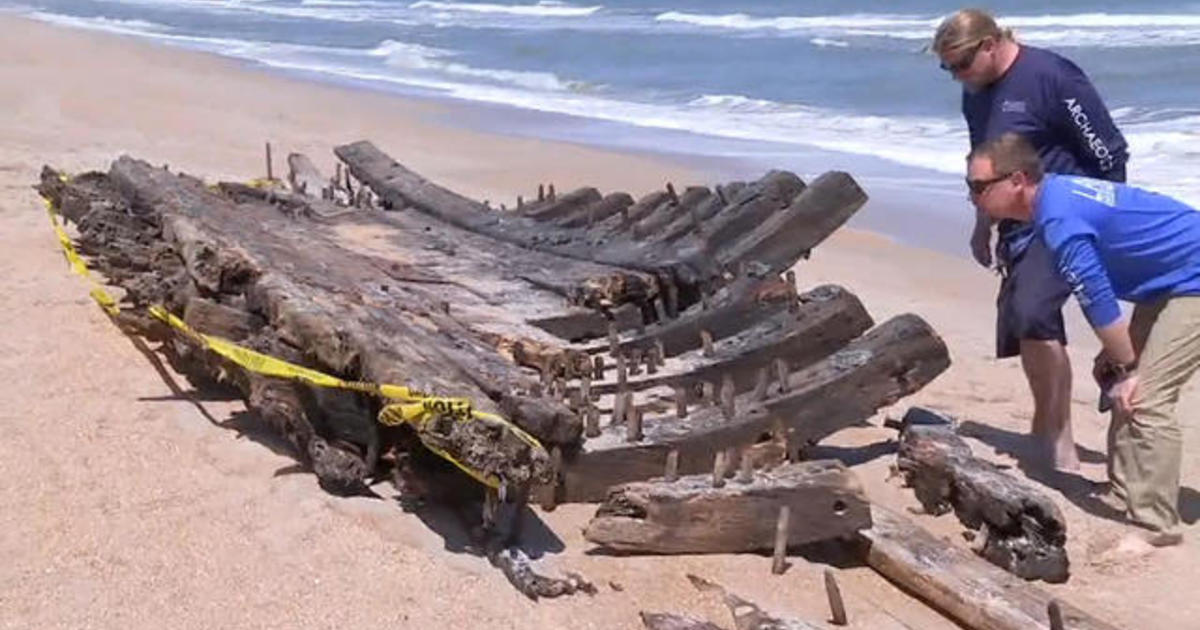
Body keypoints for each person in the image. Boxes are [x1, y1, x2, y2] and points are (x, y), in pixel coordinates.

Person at [967, 132, 1199, 546]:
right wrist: (1119, 362)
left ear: (1018, 180)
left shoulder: (1059, 218)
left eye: (979, 187)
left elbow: (1095, 296)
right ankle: (1127, 491)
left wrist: (1128, 366)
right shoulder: (1053, 201)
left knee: (1145, 396)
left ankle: (1156, 526)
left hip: (1191, 281)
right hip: (1170, 282)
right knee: (1117, 379)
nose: (973, 198)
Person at [932, 9, 1129, 470]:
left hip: (1068, 213)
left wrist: (1107, 219)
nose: (957, 76)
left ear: (989, 45)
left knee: (1035, 309)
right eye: (947, 69)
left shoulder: (1053, 77)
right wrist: (983, 223)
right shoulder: (975, 94)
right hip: (1017, 221)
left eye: (960, 63)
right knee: (1025, 321)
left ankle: (1058, 441)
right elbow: (981, 161)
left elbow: (1109, 152)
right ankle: (1054, 420)